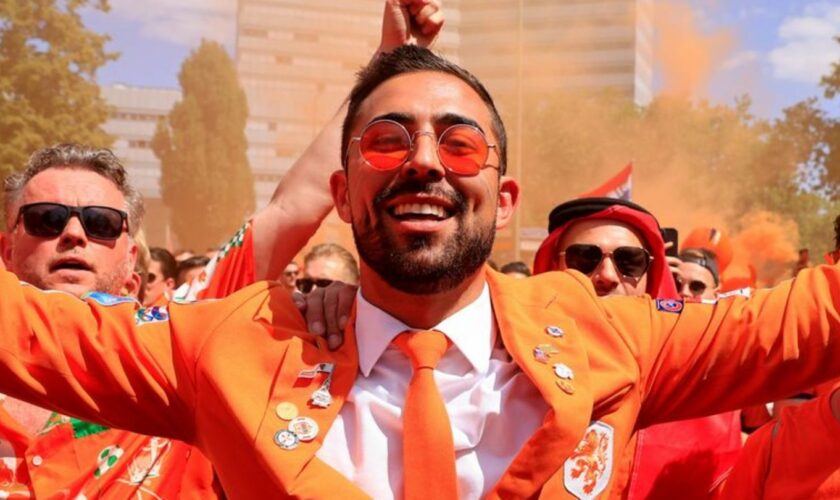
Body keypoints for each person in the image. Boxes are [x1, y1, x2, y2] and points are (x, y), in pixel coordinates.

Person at [1, 44, 840, 500]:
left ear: (503, 198)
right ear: (343, 190)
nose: (425, 163)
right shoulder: (225, 345)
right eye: (387, 140)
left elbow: (812, 318)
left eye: (460, 142)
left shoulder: (606, 333)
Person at [533, 198, 740, 499]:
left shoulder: (707, 401)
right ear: (553, 267)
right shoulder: (503, 370)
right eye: (583, 259)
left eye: (629, 261)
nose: (607, 276)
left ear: (650, 278)